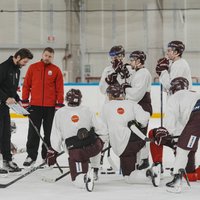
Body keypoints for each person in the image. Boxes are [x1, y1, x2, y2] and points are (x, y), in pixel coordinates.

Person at [46, 89, 107, 191]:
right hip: (93, 147)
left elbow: (56, 135)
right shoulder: (88, 110)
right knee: (98, 139)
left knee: (77, 178)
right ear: (80, 99)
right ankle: (95, 167)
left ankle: (84, 178)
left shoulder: (60, 113)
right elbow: (102, 130)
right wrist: (101, 142)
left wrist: (53, 151)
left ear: (66, 99)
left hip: (76, 152)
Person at [148, 77, 200, 192]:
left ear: (172, 89)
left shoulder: (174, 97)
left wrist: (164, 131)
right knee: (190, 174)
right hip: (192, 130)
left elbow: (170, 125)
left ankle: (174, 180)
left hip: (193, 123)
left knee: (154, 134)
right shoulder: (194, 94)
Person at [22, 47, 64, 167]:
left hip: (50, 107)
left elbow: (59, 89)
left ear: (53, 57)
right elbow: (26, 85)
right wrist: (25, 101)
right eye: (46, 55)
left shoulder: (56, 70)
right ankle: (31, 156)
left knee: (49, 132)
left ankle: (46, 156)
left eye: (50, 56)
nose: (47, 58)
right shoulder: (33, 68)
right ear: (42, 55)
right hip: (34, 106)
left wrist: (59, 104)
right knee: (33, 132)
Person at [101, 84, 150, 183]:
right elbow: (144, 119)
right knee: (142, 139)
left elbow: (102, 129)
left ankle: (148, 173)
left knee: (128, 177)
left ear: (110, 95)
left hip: (121, 147)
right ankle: (143, 162)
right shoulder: (132, 104)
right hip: (136, 141)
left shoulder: (105, 107)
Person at [0, 48, 33, 173]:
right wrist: (5, 98)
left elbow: (11, 90)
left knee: (5, 135)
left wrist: (17, 99)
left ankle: (7, 162)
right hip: (1, 103)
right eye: (24, 61)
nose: (25, 64)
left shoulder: (16, 71)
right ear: (18, 57)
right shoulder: (3, 67)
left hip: (4, 108)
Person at [121, 51, 152, 170]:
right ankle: (140, 160)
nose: (130, 62)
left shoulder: (143, 73)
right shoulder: (137, 72)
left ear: (139, 61)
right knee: (137, 135)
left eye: (132, 60)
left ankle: (144, 160)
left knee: (141, 135)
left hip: (142, 108)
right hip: (138, 108)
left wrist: (125, 88)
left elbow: (136, 94)